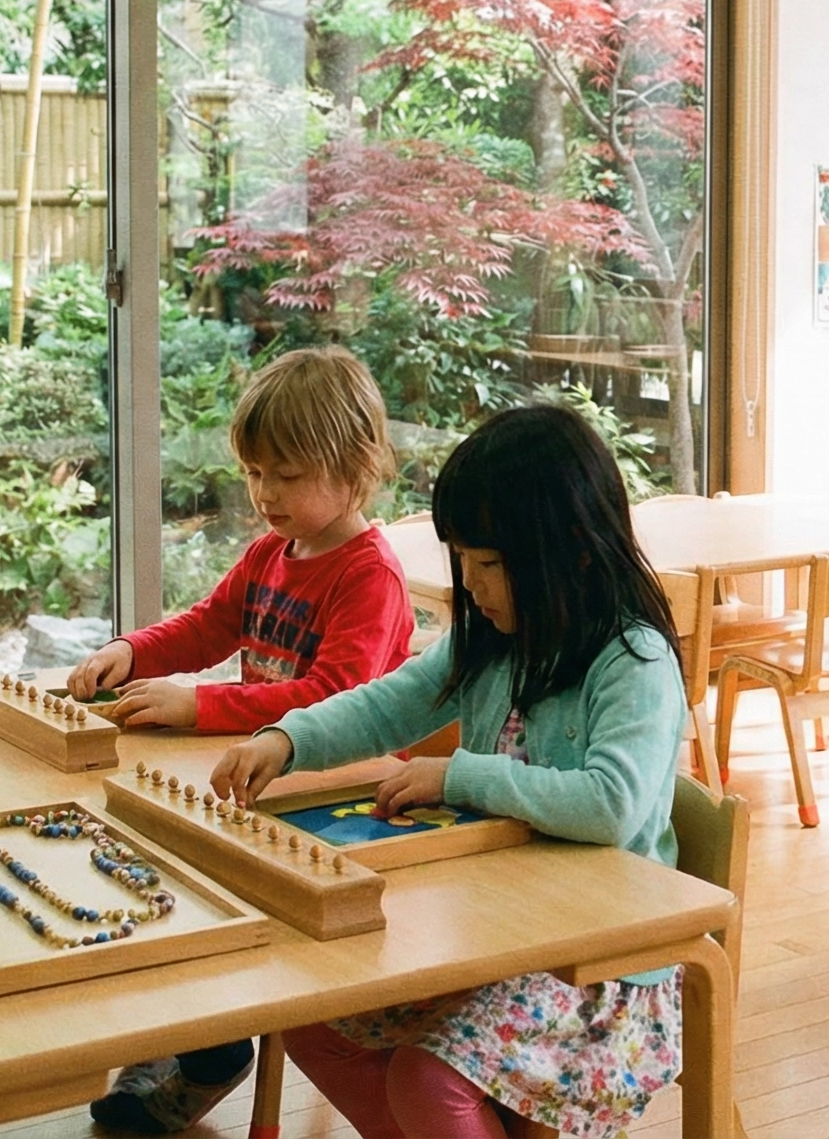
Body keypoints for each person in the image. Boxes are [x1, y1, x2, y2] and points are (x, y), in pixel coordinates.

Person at [207, 404, 689, 1139]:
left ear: (574, 553)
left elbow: (610, 805)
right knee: (312, 1020)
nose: (473, 585)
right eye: (462, 560)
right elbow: (384, 707)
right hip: (503, 941)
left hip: (604, 976)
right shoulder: (495, 641)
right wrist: (286, 740)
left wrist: (458, 777)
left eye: (490, 565)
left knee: (427, 1078)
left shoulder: (634, 661)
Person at [72, 346, 417, 1132]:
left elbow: (338, 699)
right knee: (159, 867)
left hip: (335, 802)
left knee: (204, 885)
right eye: (255, 473)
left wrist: (202, 708)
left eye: (287, 475)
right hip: (260, 784)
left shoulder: (370, 575)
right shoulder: (272, 553)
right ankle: (194, 1038)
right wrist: (133, 651)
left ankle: (205, 1044)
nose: (265, 493)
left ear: (356, 463)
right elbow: (209, 624)